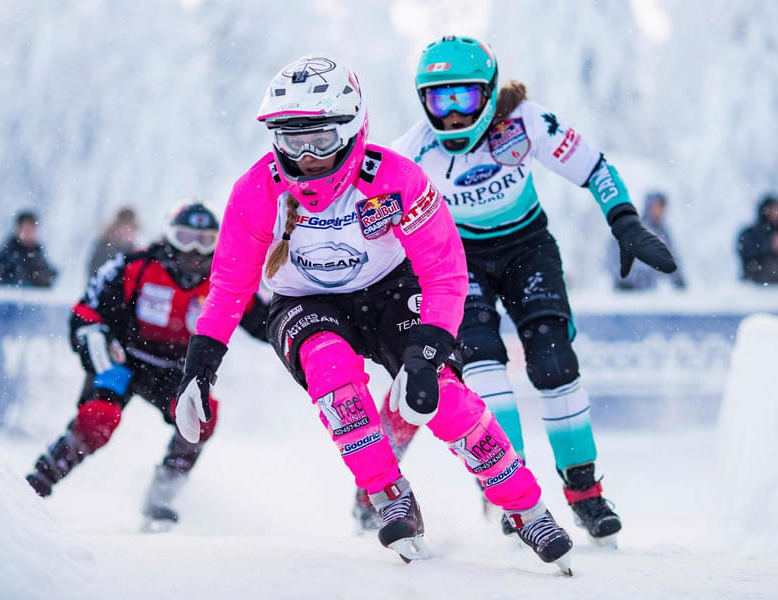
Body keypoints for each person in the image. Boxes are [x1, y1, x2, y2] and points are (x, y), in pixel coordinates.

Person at [173, 54, 574, 574]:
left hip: (390, 292)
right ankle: (388, 493)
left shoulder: (396, 179)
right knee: (333, 377)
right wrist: (198, 369)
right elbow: (229, 286)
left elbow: (445, 273)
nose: (309, 157)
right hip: (303, 303)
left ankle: (526, 508)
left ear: (353, 126)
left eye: (321, 139)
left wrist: (428, 354)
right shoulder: (255, 192)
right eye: (293, 141)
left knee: (443, 398)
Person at [376, 35, 678, 546]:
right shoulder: (411, 152)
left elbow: (595, 168)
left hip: (527, 250)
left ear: (490, 94)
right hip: (457, 263)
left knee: (555, 365)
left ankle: (585, 491)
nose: (450, 116)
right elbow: (366, 222)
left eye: (463, 99)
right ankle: (510, 497)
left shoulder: (526, 122)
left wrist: (625, 221)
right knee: (484, 371)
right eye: (437, 99)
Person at [25, 201, 269, 531]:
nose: (195, 251)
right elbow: (86, 312)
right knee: (99, 417)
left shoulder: (225, 278)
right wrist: (93, 339)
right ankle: (35, 486)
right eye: (185, 238)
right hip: (124, 362)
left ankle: (162, 494)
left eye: (206, 240)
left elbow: (265, 322)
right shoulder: (133, 266)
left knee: (200, 416)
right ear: (169, 236)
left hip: (177, 371)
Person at [607, 191, 686, 290]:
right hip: (625, 291)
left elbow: (671, 260)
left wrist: (679, 283)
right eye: (657, 207)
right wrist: (626, 278)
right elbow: (611, 256)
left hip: (648, 292)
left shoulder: (663, 232)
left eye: (662, 208)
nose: (660, 211)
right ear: (649, 206)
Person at [0, 211, 58, 287]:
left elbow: (47, 277)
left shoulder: (37, 252)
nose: (30, 234)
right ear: (18, 230)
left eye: (32, 230)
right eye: (27, 230)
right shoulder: (7, 253)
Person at [87, 206, 140, 277]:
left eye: (131, 228)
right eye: (125, 227)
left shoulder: (135, 252)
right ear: (117, 227)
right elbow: (95, 272)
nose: (126, 232)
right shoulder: (105, 247)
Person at [737, 194, 778, 285]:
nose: (775, 213)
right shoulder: (751, 233)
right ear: (765, 211)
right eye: (773, 210)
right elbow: (745, 249)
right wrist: (770, 244)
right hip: (756, 280)